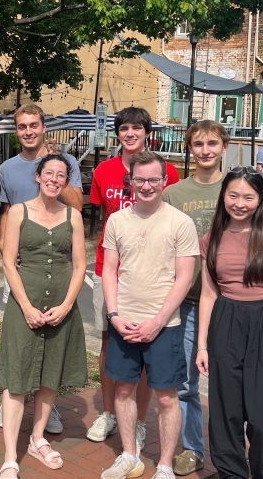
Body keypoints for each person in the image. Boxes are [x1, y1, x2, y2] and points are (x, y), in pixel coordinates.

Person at [197, 167, 263, 479]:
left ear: (260, 201)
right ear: (223, 196)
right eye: (233, 195)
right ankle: (230, 474)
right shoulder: (210, 239)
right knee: (225, 414)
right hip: (226, 324)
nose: (239, 203)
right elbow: (207, 294)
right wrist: (202, 346)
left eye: (248, 197)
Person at [100, 151, 198, 479]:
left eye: (153, 179)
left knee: (168, 397)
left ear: (164, 180)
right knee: (124, 389)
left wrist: (157, 321)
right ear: (130, 182)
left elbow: (185, 277)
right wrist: (113, 314)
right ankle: (129, 454)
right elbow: (110, 271)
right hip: (123, 321)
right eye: (139, 179)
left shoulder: (180, 222)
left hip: (164, 324)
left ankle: (166, 464)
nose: (146, 185)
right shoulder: (117, 220)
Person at [86, 106, 180, 449]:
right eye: (124, 128)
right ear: (118, 133)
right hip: (107, 270)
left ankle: (139, 420)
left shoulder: (164, 171)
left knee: (143, 343)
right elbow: (100, 216)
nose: (130, 134)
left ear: (146, 132)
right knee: (110, 342)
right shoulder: (104, 171)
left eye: (137, 128)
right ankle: (109, 412)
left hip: (150, 272)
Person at [0, 154, 87, 479]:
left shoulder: (73, 216)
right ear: (38, 177)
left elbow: (80, 265)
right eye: (48, 172)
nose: (53, 179)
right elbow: (8, 262)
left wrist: (65, 306)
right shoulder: (18, 212)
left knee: (50, 373)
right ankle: (10, 456)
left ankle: (37, 439)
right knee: (17, 376)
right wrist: (26, 306)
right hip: (26, 303)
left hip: (61, 305)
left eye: (60, 174)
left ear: (66, 180)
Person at [161, 120, 229, 476]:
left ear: (224, 147)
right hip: (188, 302)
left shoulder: (235, 188)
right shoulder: (174, 194)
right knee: (187, 383)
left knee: (231, 385)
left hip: (231, 303)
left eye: (212, 143)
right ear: (189, 148)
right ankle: (192, 449)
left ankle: (230, 452)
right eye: (199, 144)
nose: (205, 150)